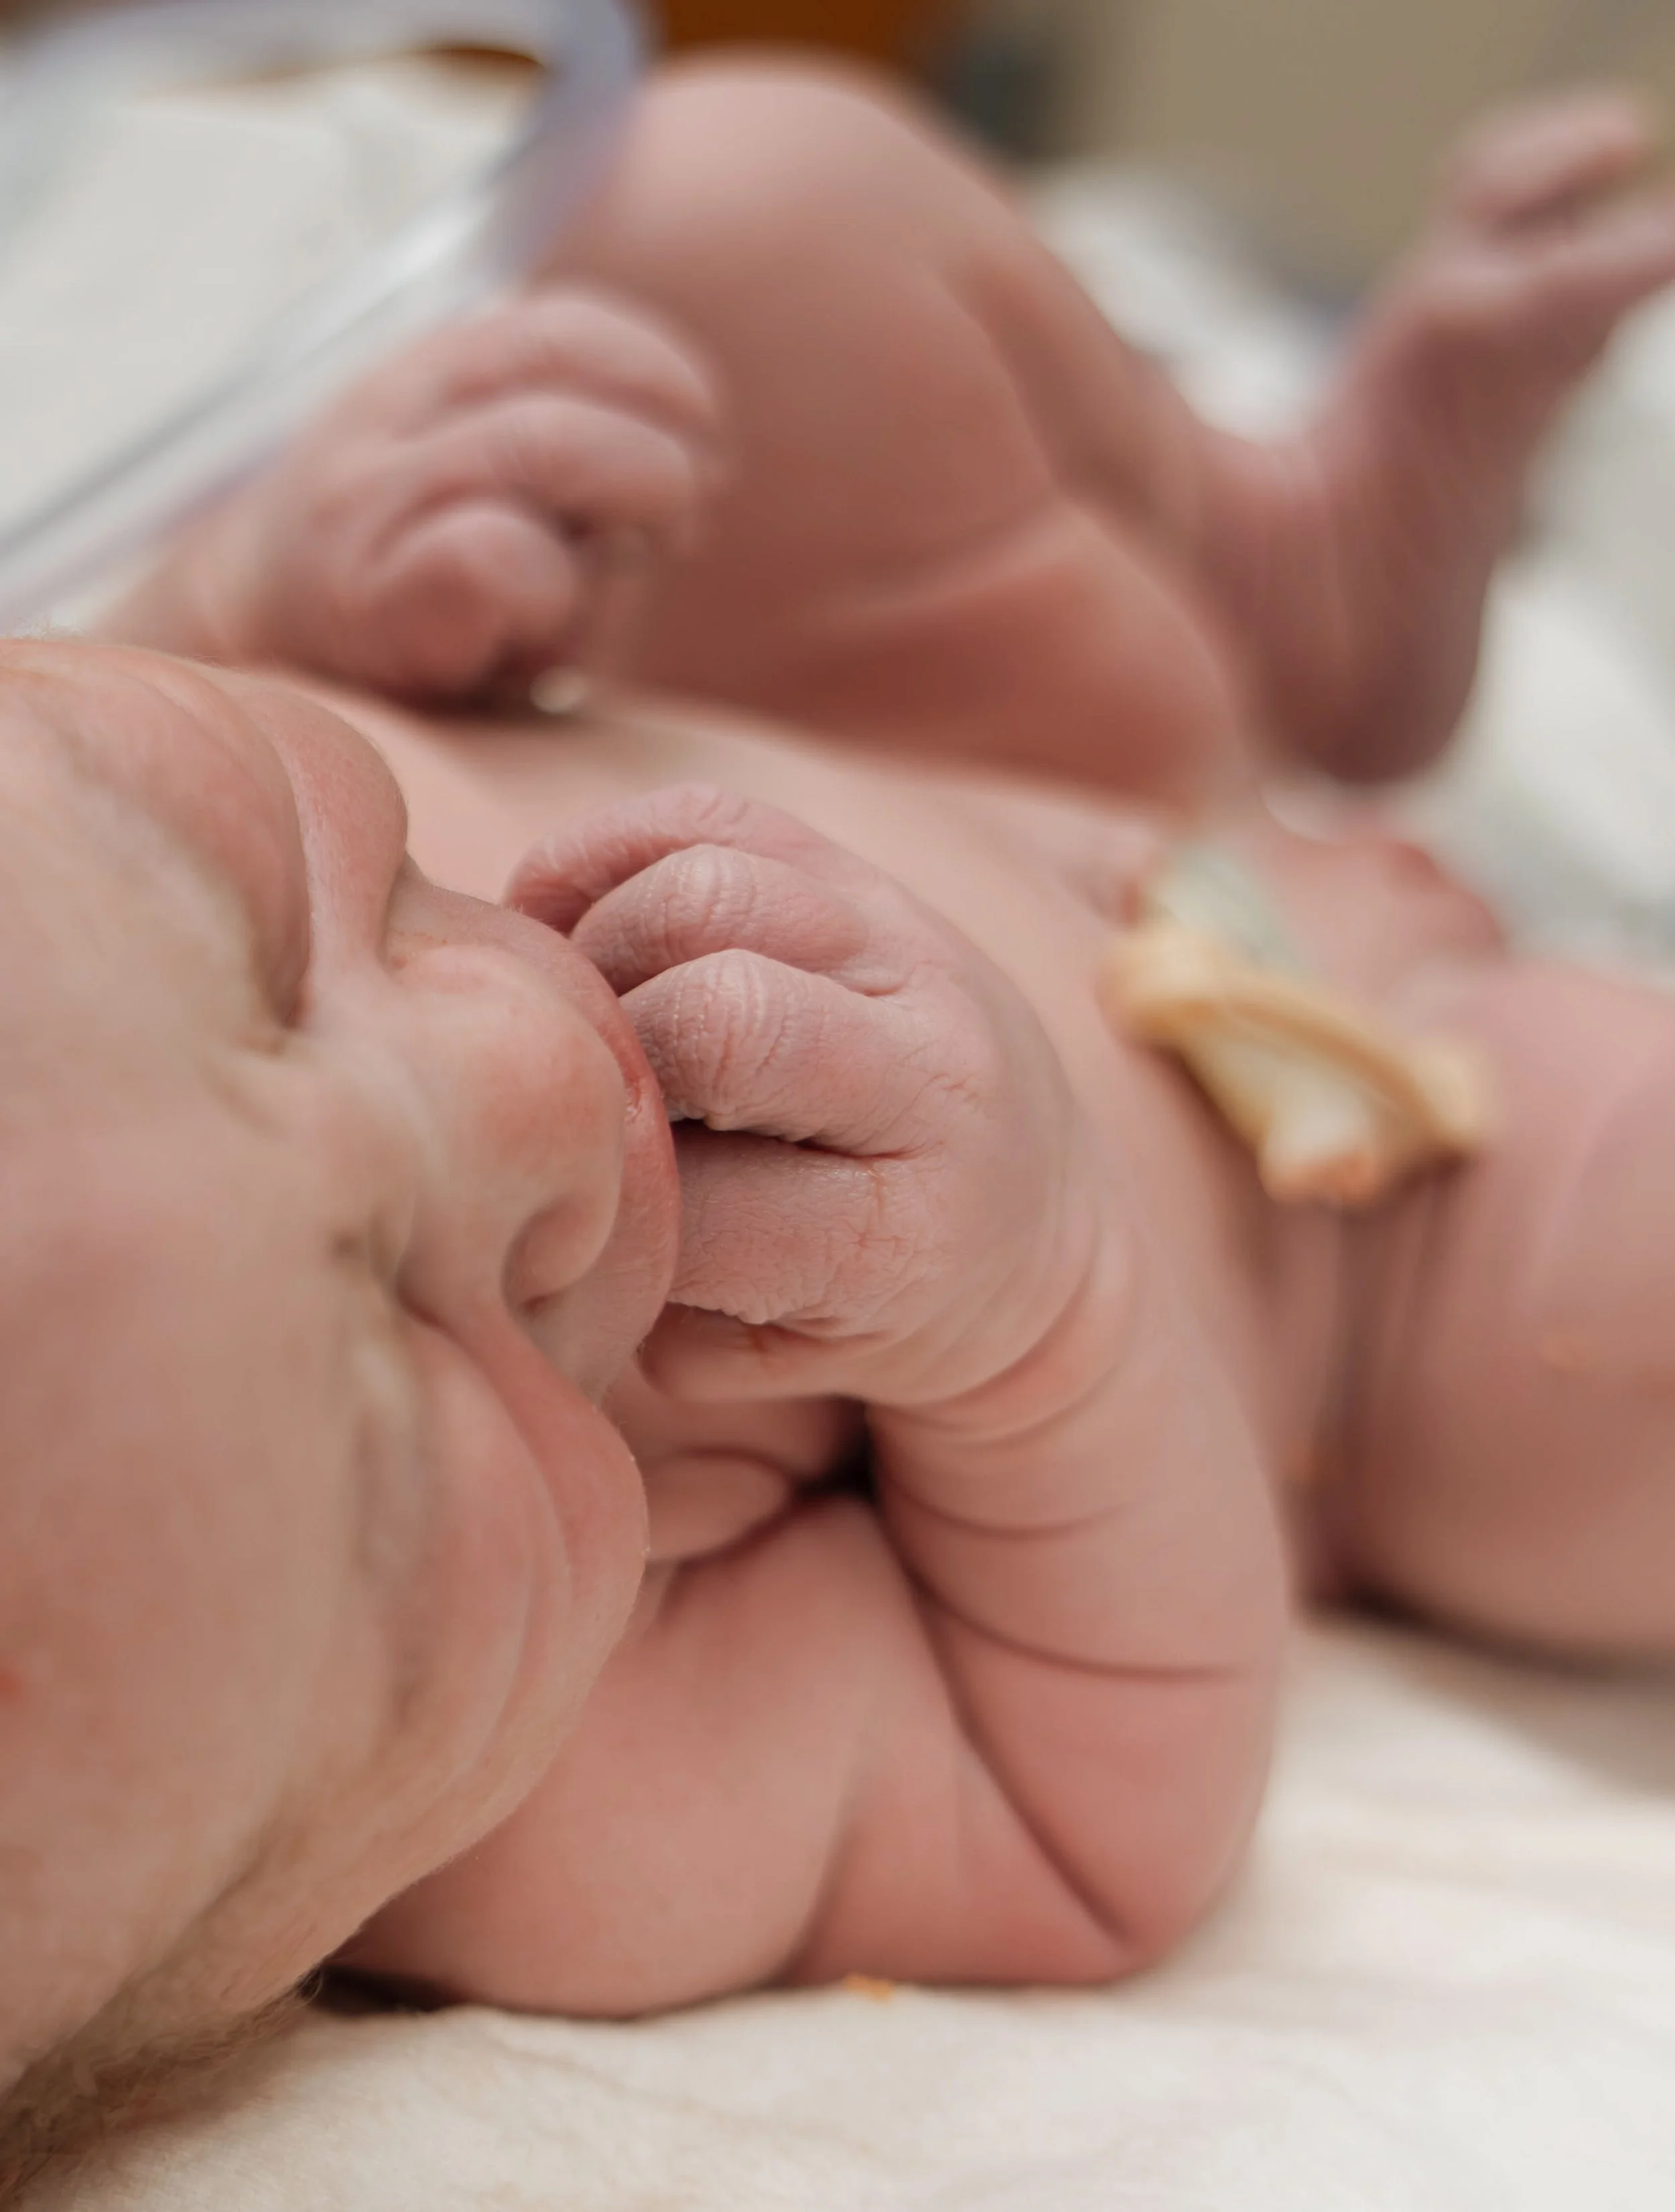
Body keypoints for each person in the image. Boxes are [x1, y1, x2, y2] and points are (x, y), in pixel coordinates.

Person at [7, 56, 1675, 2190]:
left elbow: (193, 663)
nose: (521, 1071)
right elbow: (1068, 1811)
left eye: (245, 917)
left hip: (932, 705)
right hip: (1364, 1204)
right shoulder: (537, 1794)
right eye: (409, 1413)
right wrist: (1045, 1312)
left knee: (729, 216)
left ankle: (1282, 574)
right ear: (266, 1915)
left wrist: (279, 598)